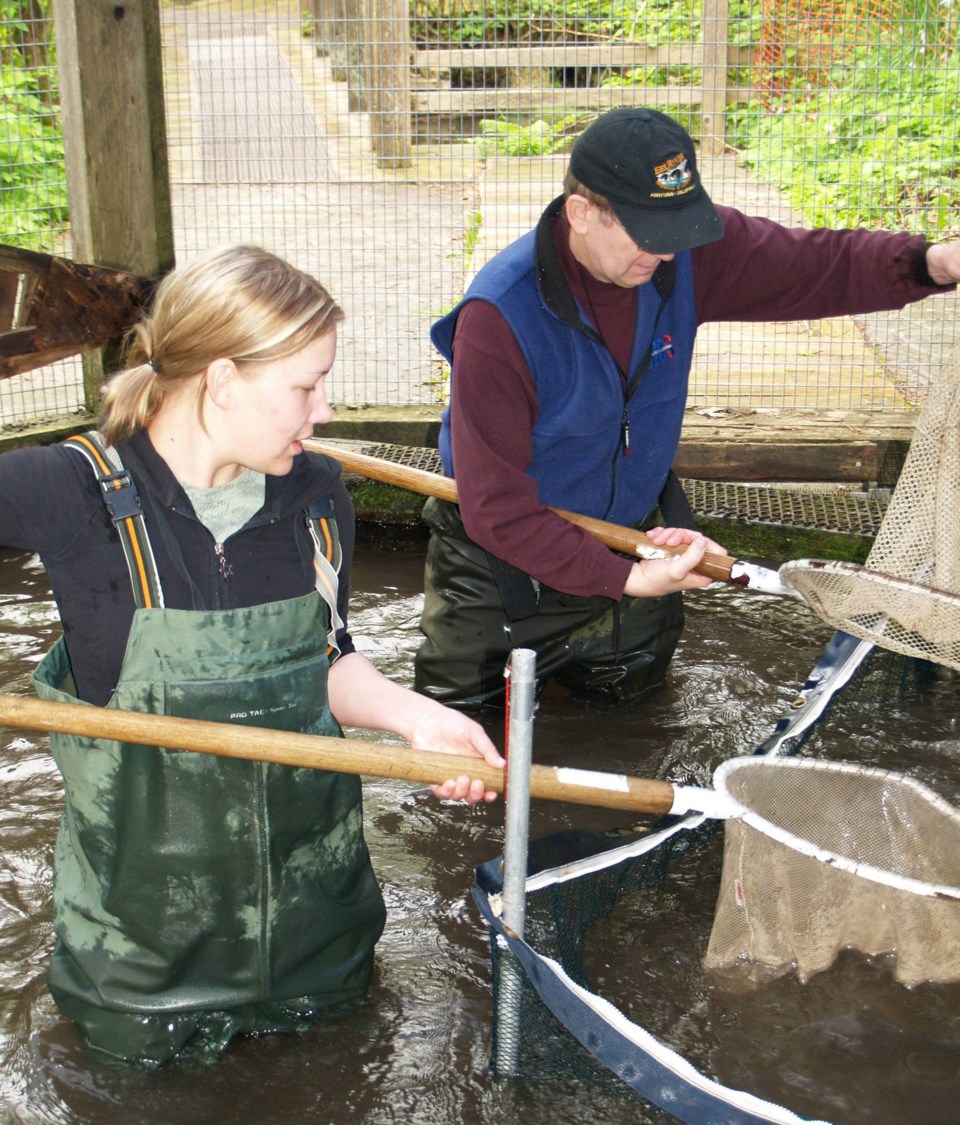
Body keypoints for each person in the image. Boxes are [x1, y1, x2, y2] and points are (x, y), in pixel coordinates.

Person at [0, 244, 504, 1067]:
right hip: (143, 955)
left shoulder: (315, 495)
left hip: (315, 928)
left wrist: (420, 720)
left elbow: (329, 658)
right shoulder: (70, 491)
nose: (324, 410)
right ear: (223, 379)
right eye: (305, 387)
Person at [414, 106, 960, 713]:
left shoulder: (680, 257)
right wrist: (627, 579)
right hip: (499, 569)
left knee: (633, 723)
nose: (666, 255)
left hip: (634, 536)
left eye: (676, 231)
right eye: (648, 234)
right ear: (582, 214)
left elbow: (810, 263)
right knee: (462, 743)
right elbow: (497, 507)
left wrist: (932, 264)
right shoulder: (500, 317)